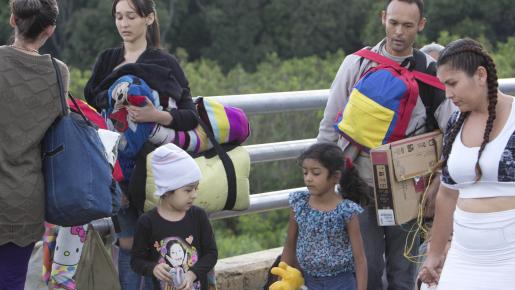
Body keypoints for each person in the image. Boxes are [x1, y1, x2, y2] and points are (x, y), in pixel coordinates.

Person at [317, 1, 456, 289]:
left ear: (421, 25)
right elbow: (330, 126)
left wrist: (440, 180)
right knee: (366, 269)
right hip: (357, 182)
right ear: (383, 19)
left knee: (403, 272)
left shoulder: (431, 71)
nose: (399, 32)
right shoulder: (356, 63)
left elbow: (453, 129)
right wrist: (322, 182)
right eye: (393, 23)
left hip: (409, 188)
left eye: (407, 25)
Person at [83, 0, 198, 288]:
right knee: (128, 245)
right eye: (119, 17)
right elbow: (93, 102)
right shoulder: (108, 60)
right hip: (117, 171)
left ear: (148, 19)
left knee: (164, 245)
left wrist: (156, 115)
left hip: (155, 175)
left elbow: (190, 116)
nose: (123, 23)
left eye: (131, 16)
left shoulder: (164, 62)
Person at [418, 38, 515, 289]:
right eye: (444, 86)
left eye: (453, 84)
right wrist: (435, 254)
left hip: (510, 253)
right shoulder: (454, 123)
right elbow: (447, 195)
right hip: (464, 252)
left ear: (480, 75)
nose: (448, 94)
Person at [0, 0, 68, 289]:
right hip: (24, 199)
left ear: (12, 19)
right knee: (12, 280)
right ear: (49, 30)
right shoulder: (57, 73)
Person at [281, 142, 368, 290]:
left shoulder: (346, 211)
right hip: (308, 281)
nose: (308, 178)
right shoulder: (299, 205)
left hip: (342, 283)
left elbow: (360, 259)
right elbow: (290, 244)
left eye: (316, 173)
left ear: (335, 177)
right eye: (305, 172)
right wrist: (282, 280)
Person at [131, 143, 218, 290]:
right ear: (167, 190)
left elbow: (211, 254)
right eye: (188, 190)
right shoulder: (147, 222)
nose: (194, 195)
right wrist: (153, 268)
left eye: (196, 188)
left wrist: (192, 274)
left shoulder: (198, 216)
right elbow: (136, 261)